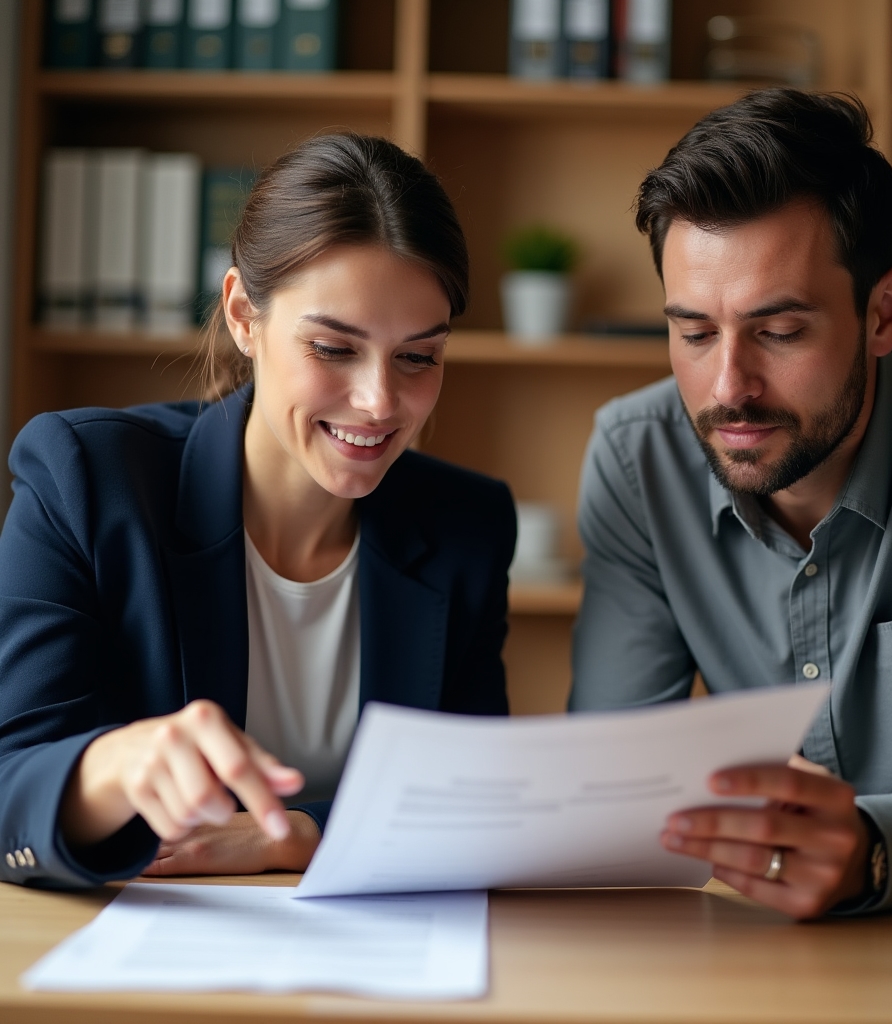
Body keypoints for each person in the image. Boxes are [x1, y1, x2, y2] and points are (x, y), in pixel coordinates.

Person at [0, 134, 515, 889]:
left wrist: (300, 835)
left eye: (418, 356)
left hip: (376, 964)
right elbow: (11, 787)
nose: (379, 402)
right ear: (244, 314)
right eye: (334, 349)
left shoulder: (466, 526)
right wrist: (110, 768)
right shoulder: (88, 480)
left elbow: (473, 807)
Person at [570, 89, 892, 919]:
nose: (728, 388)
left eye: (778, 332)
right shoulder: (639, 461)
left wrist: (879, 851)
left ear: (885, 312)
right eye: (695, 333)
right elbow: (613, 782)